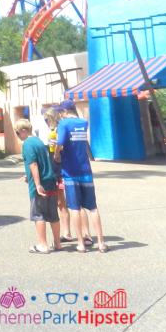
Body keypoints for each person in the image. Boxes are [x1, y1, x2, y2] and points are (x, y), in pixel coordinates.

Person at [56, 99, 108, 253]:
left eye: (60, 112)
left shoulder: (63, 124)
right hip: (85, 169)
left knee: (74, 207)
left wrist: (57, 154)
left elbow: (60, 142)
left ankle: (80, 243)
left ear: (65, 112)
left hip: (70, 171)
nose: (60, 114)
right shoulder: (84, 122)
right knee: (92, 207)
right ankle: (101, 242)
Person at [43, 107, 92, 246]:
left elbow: (67, 147)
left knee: (77, 204)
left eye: (46, 120)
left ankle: (86, 235)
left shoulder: (63, 127)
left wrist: (57, 148)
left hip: (66, 169)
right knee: (61, 203)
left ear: (51, 118)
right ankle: (67, 233)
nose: (46, 122)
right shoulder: (53, 130)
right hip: (57, 170)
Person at [14, 119, 61, 254]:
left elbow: (33, 164)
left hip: (40, 183)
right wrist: (28, 176)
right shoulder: (38, 141)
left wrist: (37, 183)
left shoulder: (27, 144)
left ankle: (43, 245)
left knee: (39, 213)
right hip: (50, 179)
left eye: (17, 133)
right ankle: (57, 243)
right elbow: (42, 162)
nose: (18, 136)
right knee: (53, 213)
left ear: (24, 131)